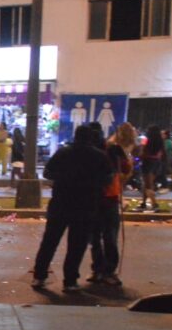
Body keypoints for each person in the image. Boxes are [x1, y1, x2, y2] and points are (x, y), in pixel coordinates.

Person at [30, 124, 111, 292]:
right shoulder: (99, 156)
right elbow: (107, 179)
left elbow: (48, 173)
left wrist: (64, 179)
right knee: (77, 245)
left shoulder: (64, 152)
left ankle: (39, 275)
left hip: (61, 203)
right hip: (85, 205)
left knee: (50, 241)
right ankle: (70, 280)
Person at [89, 122, 133, 286]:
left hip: (98, 198)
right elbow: (127, 168)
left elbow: (126, 168)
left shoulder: (95, 150)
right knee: (107, 236)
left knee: (97, 236)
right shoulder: (112, 149)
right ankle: (106, 270)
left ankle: (100, 269)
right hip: (108, 197)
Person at [138, 126, 164, 212]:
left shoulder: (147, 141)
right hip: (156, 163)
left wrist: (141, 148)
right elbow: (161, 153)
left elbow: (142, 153)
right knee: (148, 184)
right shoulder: (160, 141)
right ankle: (144, 203)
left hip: (147, 162)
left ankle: (154, 204)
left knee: (148, 185)